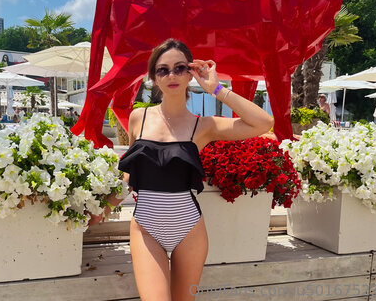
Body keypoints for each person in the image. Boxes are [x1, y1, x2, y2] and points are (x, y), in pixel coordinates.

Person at [91, 38, 274, 300]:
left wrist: (215, 88)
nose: (172, 75)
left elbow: (263, 123)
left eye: (180, 68)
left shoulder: (204, 125)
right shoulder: (138, 118)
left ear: (191, 73)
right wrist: (105, 208)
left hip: (189, 228)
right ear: (154, 78)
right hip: (146, 227)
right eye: (163, 70)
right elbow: (131, 174)